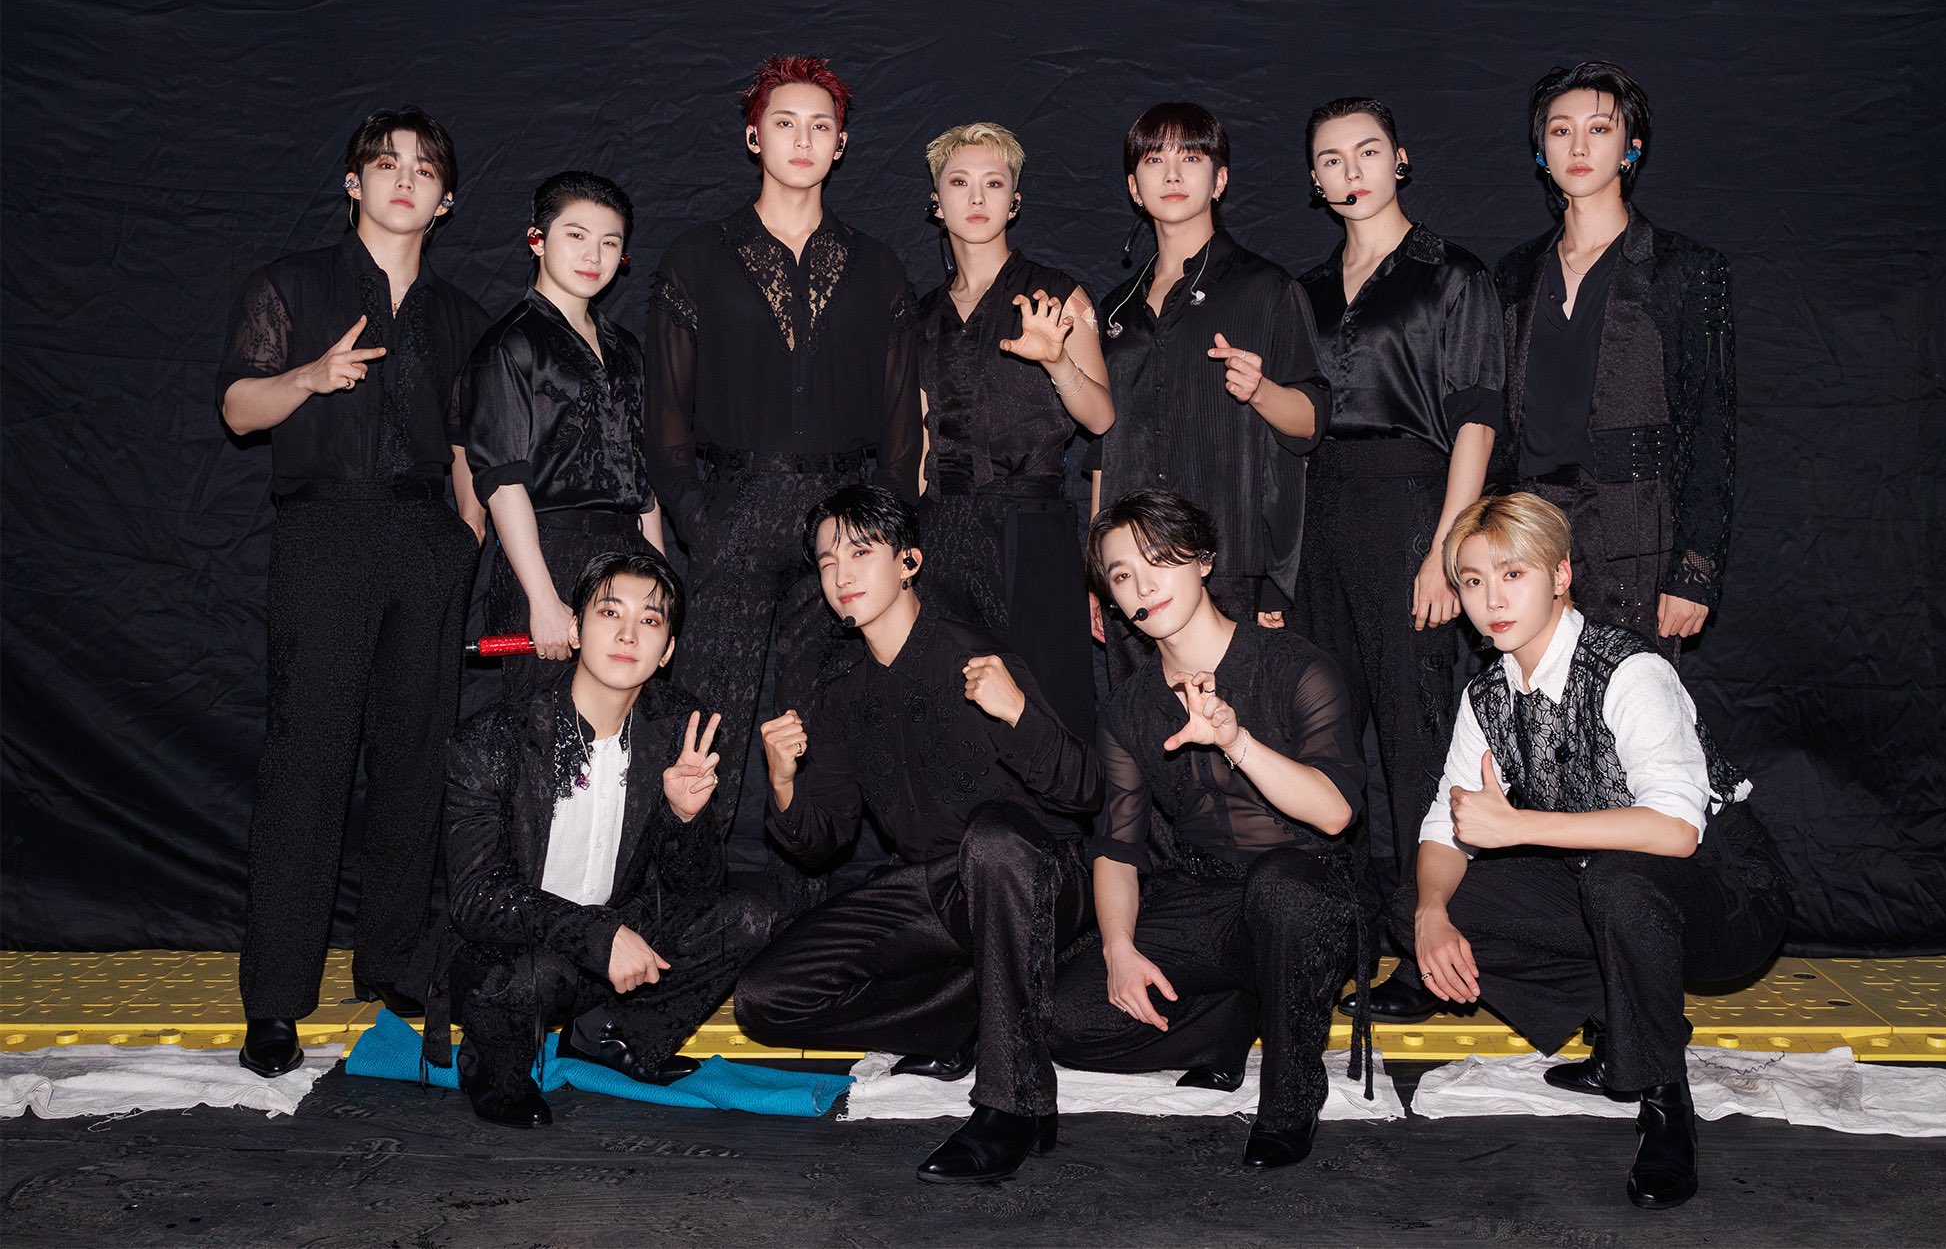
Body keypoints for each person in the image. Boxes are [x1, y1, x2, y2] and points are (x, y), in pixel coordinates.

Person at [1402, 493, 1789, 1208]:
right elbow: (1443, 826)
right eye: (1473, 581)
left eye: (1513, 574)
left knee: (1618, 881)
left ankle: (1664, 1101)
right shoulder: (1486, 695)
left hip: (1727, 894)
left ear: (1560, 575)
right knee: (1424, 898)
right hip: (1611, 885)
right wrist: (1430, 912)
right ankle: (1623, 1023)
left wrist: (1519, 826)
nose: (1492, 600)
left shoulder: (1627, 670)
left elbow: (1676, 831)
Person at [220, 107, 488, 1078]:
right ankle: (275, 997)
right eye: (385, 162)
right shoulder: (290, 284)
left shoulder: (461, 316)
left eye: (424, 168)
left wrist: (468, 538)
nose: (403, 178)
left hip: (425, 539)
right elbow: (238, 409)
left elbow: (468, 447)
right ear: (352, 181)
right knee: (309, 760)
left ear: (445, 200)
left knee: (417, 757)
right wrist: (309, 375)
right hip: (325, 533)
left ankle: (393, 959)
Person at [732, 486, 1098, 1184]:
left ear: (909, 562)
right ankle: (967, 1018)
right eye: (827, 560)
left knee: (993, 840)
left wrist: (1018, 713)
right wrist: (781, 781)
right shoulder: (843, 688)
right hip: (937, 890)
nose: (841, 573)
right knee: (766, 995)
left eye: (860, 552)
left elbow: (1084, 790)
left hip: (1038, 879)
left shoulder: (971, 654)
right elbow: (824, 838)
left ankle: (1014, 1104)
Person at [646, 55, 921, 909]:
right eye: (784, 122)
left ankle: (810, 928)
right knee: (706, 721)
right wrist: (700, 518)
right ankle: (679, 917)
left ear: (842, 145)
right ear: (753, 136)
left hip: (843, 520)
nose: (802, 140)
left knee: (821, 721)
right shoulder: (696, 258)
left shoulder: (878, 267)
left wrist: (881, 528)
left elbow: (900, 423)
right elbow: (664, 414)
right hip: (734, 506)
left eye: (820, 126)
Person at [1050, 490, 1368, 1170]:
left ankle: (1290, 1095)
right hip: (1208, 897)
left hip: (1307, 892)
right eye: (1122, 574)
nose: (1142, 585)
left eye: (1157, 558)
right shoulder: (1130, 708)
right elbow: (1117, 846)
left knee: (1282, 890)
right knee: (1063, 1014)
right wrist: (1119, 948)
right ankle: (1231, 1017)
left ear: (1202, 559)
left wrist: (1237, 742)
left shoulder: (1295, 665)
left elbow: (1336, 812)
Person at [420, 550, 774, 1128]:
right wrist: (597, 934)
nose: (628, 634)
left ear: (667, 651)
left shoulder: (677, 726)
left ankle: (608, 1035)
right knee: (525, 977)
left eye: (650, 621)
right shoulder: (494, 740)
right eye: (610, 613)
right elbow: (478, 900)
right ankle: (488, 1060)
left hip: (615, 937)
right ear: (575, 630)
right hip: (515, 946)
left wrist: (685, 819)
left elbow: (696, 891)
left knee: (745, 920)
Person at [1290, 97, 1505, 1026]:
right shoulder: (1303, 292)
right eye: (1332, 159)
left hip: (1414, 504)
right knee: (1327, 739)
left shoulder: (1452, 274)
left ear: (1401, 159)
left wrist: (1448, 549)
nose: (1352, 170)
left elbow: (1477, 418)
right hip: (1321, 513)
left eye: (1368, 151)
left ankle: (1428, 949)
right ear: (1315, 181)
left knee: (1416, 740)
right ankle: (1339, 941)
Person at [1493, 61, 1736, 651]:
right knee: (1533, 700)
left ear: (1632, 147)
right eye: (1560, 130)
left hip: (1635, 533)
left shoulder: (1685, 269)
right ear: (1541, 151)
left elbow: (1711, 426)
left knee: (1630, 703)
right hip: (1528, 531)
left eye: (1599, 129)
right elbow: (1496, 421)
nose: (1578, 147)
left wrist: (1694, 571)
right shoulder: (1514, 272)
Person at [1089, 103, 1328, 685]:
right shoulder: (1116, 308)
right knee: (1141, 725)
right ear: (1134, 187)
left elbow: (1312, 420)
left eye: (1191, 157)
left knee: (1234, 727)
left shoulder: (1265, 288)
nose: (1172, 174)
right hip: (1131, 569)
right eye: (1155, 160)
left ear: (1219, 179)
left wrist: (1261, 390)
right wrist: (1097, 571)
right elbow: (1101, 447)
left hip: (1226, 563)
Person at [914, 120, 1112, 738]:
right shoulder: (920, 317)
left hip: (1033, 534)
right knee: (951, 718)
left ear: (1015, 201)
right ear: (936, 201)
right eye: (959, 182)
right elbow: (919, 444)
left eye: (993, 183)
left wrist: (1057, 360)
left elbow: (1102, 418)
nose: (976, 198)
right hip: (941, 534)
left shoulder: (1059, 296)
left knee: (1047, 710)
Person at [465, 171, 664, 699]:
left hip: (627, 557)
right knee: (543, 728)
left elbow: (643, 478)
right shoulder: (510, 344)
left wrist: (660, 579)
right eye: (576, 235)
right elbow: (502, 481)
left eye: (609, 242)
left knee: (627, 729)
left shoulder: (625, 347)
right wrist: (542, 599)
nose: (592, 256)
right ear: (537, 240)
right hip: (548, 554)